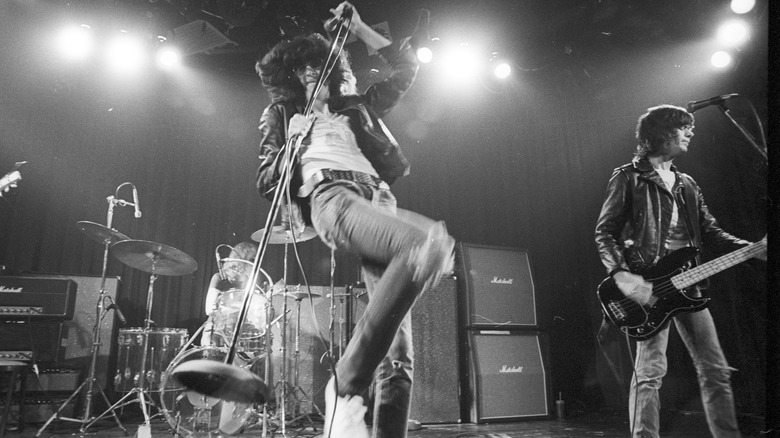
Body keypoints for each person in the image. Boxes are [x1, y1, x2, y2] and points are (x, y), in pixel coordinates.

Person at [254, 2, 454, 437]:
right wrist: (290, 143)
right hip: (332, 196)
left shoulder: (357, 107)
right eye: (301, 70)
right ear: (290, 78)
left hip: (377, 199)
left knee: (398, 354)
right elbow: (266, 180)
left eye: (316, 66)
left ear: (332, 71)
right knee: (426, 244)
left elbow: (404, 67)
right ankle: (345, 384)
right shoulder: (283, 116)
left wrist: (361, 28)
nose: (309, 74)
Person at [594, 104, 766, 438]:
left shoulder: (687, 183)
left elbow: (711, 231)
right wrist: (621, 273)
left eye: (691, 127)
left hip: (691, 285)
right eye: (683, 127)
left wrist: (752, 248)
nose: (691, 132)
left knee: (715, 369)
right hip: (649, 288)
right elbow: (605, 232)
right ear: (660, 133)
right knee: (650, 373)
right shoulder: (629, 177)